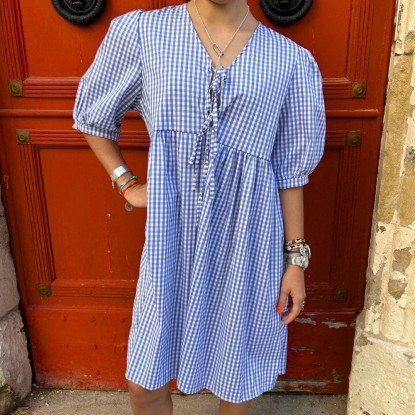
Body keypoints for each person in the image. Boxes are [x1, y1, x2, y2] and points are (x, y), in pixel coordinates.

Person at [72, 0, 326, 413]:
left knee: (235, 380)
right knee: (144, 384)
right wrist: (127, 182)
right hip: (171, 241)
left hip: (248, 240)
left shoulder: (290, 61)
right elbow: (93, 114)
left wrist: (295, 260)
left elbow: (289, 173)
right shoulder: (143, 34)